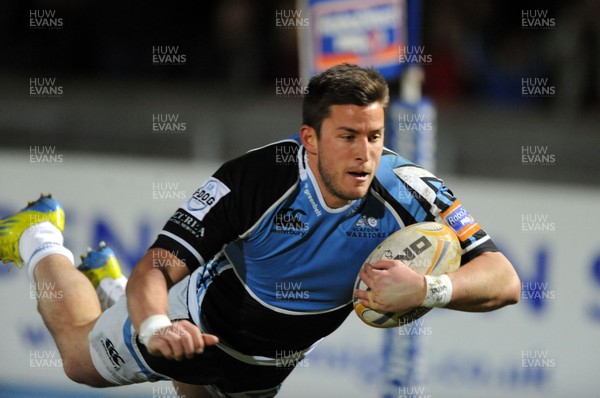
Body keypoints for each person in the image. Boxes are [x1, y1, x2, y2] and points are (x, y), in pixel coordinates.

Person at [0, 63, 521, 398]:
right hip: (199, 325)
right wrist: (157, 328)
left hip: (272, 363)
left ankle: (112, 290)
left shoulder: (410, 188)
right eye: (347, 137)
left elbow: (504, 279)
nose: (366, 154)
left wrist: (429, 288)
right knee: (76, 360)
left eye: (375, 136)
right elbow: (157, 265)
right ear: (309, 140)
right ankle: (38, 232)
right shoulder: (251, 180)